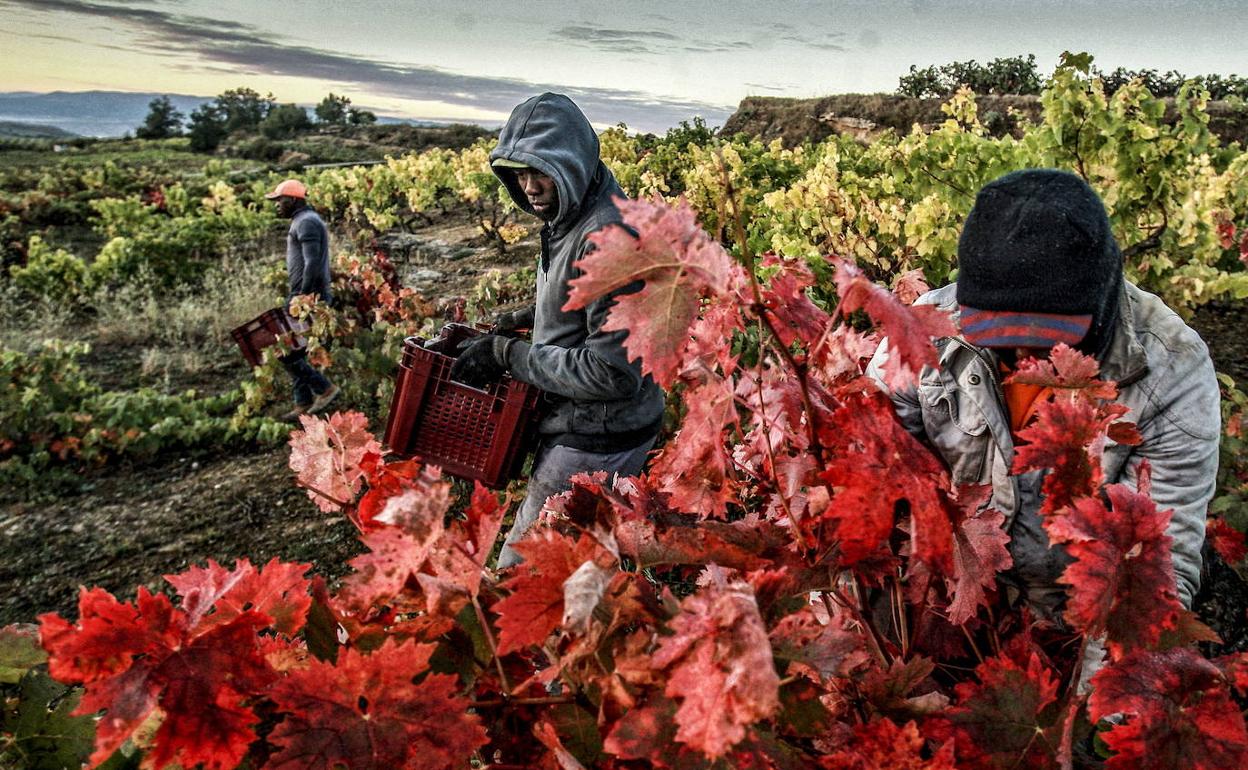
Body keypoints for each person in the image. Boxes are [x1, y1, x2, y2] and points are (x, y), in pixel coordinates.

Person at [868, 168, 1220, 615]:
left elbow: (1154, 573)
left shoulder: (1172, 369)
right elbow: (868, 486)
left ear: (1102, 298)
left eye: (1047, 334)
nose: (1021, 352)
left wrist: (1099, 682)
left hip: (1072, 611)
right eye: (998, 332)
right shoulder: (922, 331)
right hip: (952, 590)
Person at [448, 93, 665, 568]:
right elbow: (583, 301)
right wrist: (526, 317)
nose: (528, 186)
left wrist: (509, 355)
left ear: (571, 162)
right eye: (518, 174)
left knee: (521, 576)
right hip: (586, 422)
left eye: (540, 171)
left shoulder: (610, 240)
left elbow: (612, 373)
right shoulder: (573, 210)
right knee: (589, 567)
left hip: (598, 434)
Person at [265, 179, 339, 420]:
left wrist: (302, 295)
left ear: (293, 200)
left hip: (309, 295)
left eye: (280, 200)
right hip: (305, 293)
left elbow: (313, 262)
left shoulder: (306, 222)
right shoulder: (303, 220)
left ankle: (324, 388)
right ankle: (303, 402)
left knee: (288, 351)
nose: (276, 205)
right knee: (292, 348)